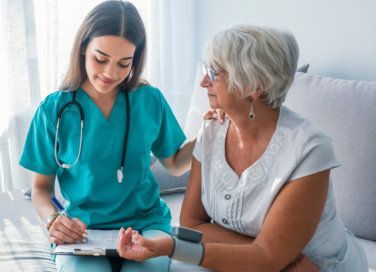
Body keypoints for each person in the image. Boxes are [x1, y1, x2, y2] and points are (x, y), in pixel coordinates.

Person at [116, 25, 369, 272]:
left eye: (215, 74)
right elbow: (193, 224)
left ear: (254, 86)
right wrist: (277, 258)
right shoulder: (212, 131)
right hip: (284, 264)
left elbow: (265, 258)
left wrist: (173, 247)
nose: (204, 82)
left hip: (316, 266)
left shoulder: (309, 150)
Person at [19, 1, 195, 271]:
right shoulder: (54, 110)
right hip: (82, 230)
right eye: (100, 59)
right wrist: (53, 221)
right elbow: (40, 189)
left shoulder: (148, 100)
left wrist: (210, 135)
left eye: (124, 64)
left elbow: (174, 163)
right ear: (82, 49)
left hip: (146, 225)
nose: (110, 73)